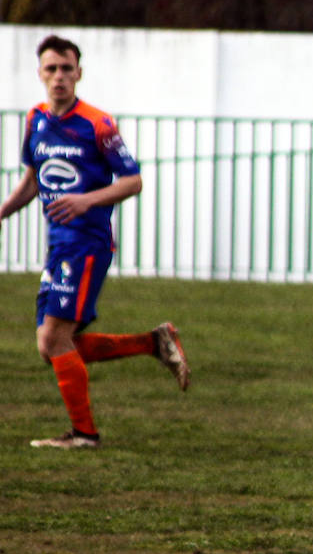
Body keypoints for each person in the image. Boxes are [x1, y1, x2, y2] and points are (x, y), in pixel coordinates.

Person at [0, 34, 189, 449]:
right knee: (50, 346)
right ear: (40, 75)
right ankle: (152, 343)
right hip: (59, 245)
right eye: (51, 69)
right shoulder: (35, 120)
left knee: (55, 339)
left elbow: (133, 181)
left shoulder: (98, 124)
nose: (59, 77)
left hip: (87, 243)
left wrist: (86, 201)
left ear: (79, 73)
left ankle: (84, 435)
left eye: (67, 69)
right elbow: (32, 181)